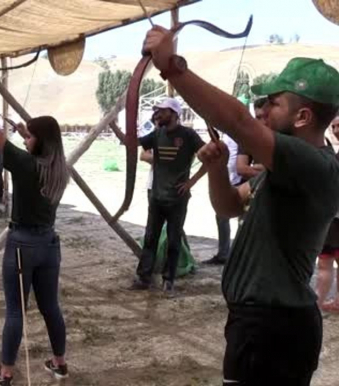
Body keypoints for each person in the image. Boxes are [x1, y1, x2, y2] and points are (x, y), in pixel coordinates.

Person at [144, 25, 339, 384]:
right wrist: (217, 169)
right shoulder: (283, 168)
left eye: (273, 103)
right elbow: (230, 206)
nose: (263, 111)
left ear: (303, 117)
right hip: (260, 322)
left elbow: (238, 121)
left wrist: (172, 67)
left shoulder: (313, 164)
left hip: (274, 326)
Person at [0, 89, 69, 386]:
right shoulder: (60, 168)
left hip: (23, 244)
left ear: (39, 141)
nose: (25, 139)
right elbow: (27, 145)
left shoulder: (25, 165)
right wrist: (27, 132)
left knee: (14, 311)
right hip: (49, 244)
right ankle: (60, 363)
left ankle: (5, 372)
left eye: (30, 136)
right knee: (51, 307)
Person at [109, 98, 207, 293]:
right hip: (157, 197)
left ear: (173, 112)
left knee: (173, 240)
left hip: (177, 200)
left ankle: (168, 281)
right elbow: (130, 143)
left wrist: (191, 182)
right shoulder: (157, 134)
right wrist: (113, 125)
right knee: (150, 238)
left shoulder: (188, 135)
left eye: (162, 111)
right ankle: (143, 278)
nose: (157, 115)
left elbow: (209, 157)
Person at [203, 132, 241, 265]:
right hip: (227, 181)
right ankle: (224, 253)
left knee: (242, 221)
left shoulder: (239, 136)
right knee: (221, 217)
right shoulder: (224, 136)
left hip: (239, 181)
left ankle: (238, 254)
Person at [316, 116, 339, 312]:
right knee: (325, 262)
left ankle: (320, 302)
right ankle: (321, 302)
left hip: (332, 217)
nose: (336, 129)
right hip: (330, 218)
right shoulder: (333, 155)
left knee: (326, 262)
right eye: (334, 126)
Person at [235, 97, 266, 183]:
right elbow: (241, 169)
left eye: (266, 117)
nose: (263, 122)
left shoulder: (284, 134)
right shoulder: (249, 136)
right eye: (259, 117)